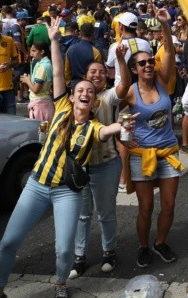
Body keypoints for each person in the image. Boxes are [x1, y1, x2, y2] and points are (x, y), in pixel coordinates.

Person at [0, 17, 135, 298]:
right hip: (36, 185)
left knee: (65, 247)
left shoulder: (94, 127)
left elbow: (110, 129)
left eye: (90, 93)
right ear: (71, 95)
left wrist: (124, 125)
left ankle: (60, 284)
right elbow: (57, 72)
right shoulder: (60, 108)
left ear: (94, 102)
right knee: (8, 242)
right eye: (80, 89)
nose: (85, 93)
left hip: (67, 192)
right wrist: (55, 40)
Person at [120, 7, 182, 267]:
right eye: (142, 63)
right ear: (134, 69)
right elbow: (121, 116)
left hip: (168, 151)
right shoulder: (131, 91)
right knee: (145, 207)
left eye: (149, 62)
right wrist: (124, 138)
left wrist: (165, 26)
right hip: (141, 155)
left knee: (168, 205)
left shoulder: (162, 80)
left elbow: (168, 51)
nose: (148, 65)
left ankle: (160, 242)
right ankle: (144, 245)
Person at [69, 43, 133, 279]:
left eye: (101, 72)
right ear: (84, 78)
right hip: (80, 167)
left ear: (106, 77)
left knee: (105, 213)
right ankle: (79, 256)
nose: (97, 75)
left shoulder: (108, 98)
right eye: (92, 72)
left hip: (106, 164)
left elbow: (125, 86)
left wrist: (121, 60)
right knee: (82, 214)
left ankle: (109, 252)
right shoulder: (76, 98)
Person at [20, 41, 54, 123]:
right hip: (45, 102)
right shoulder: (46, 64)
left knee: (40, 132)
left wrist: (27, 80)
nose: (31, 54)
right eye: (31, 51)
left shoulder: (42, 67)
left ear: (42, 52)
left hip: (40, 105)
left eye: (34, 51)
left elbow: (36, 90)